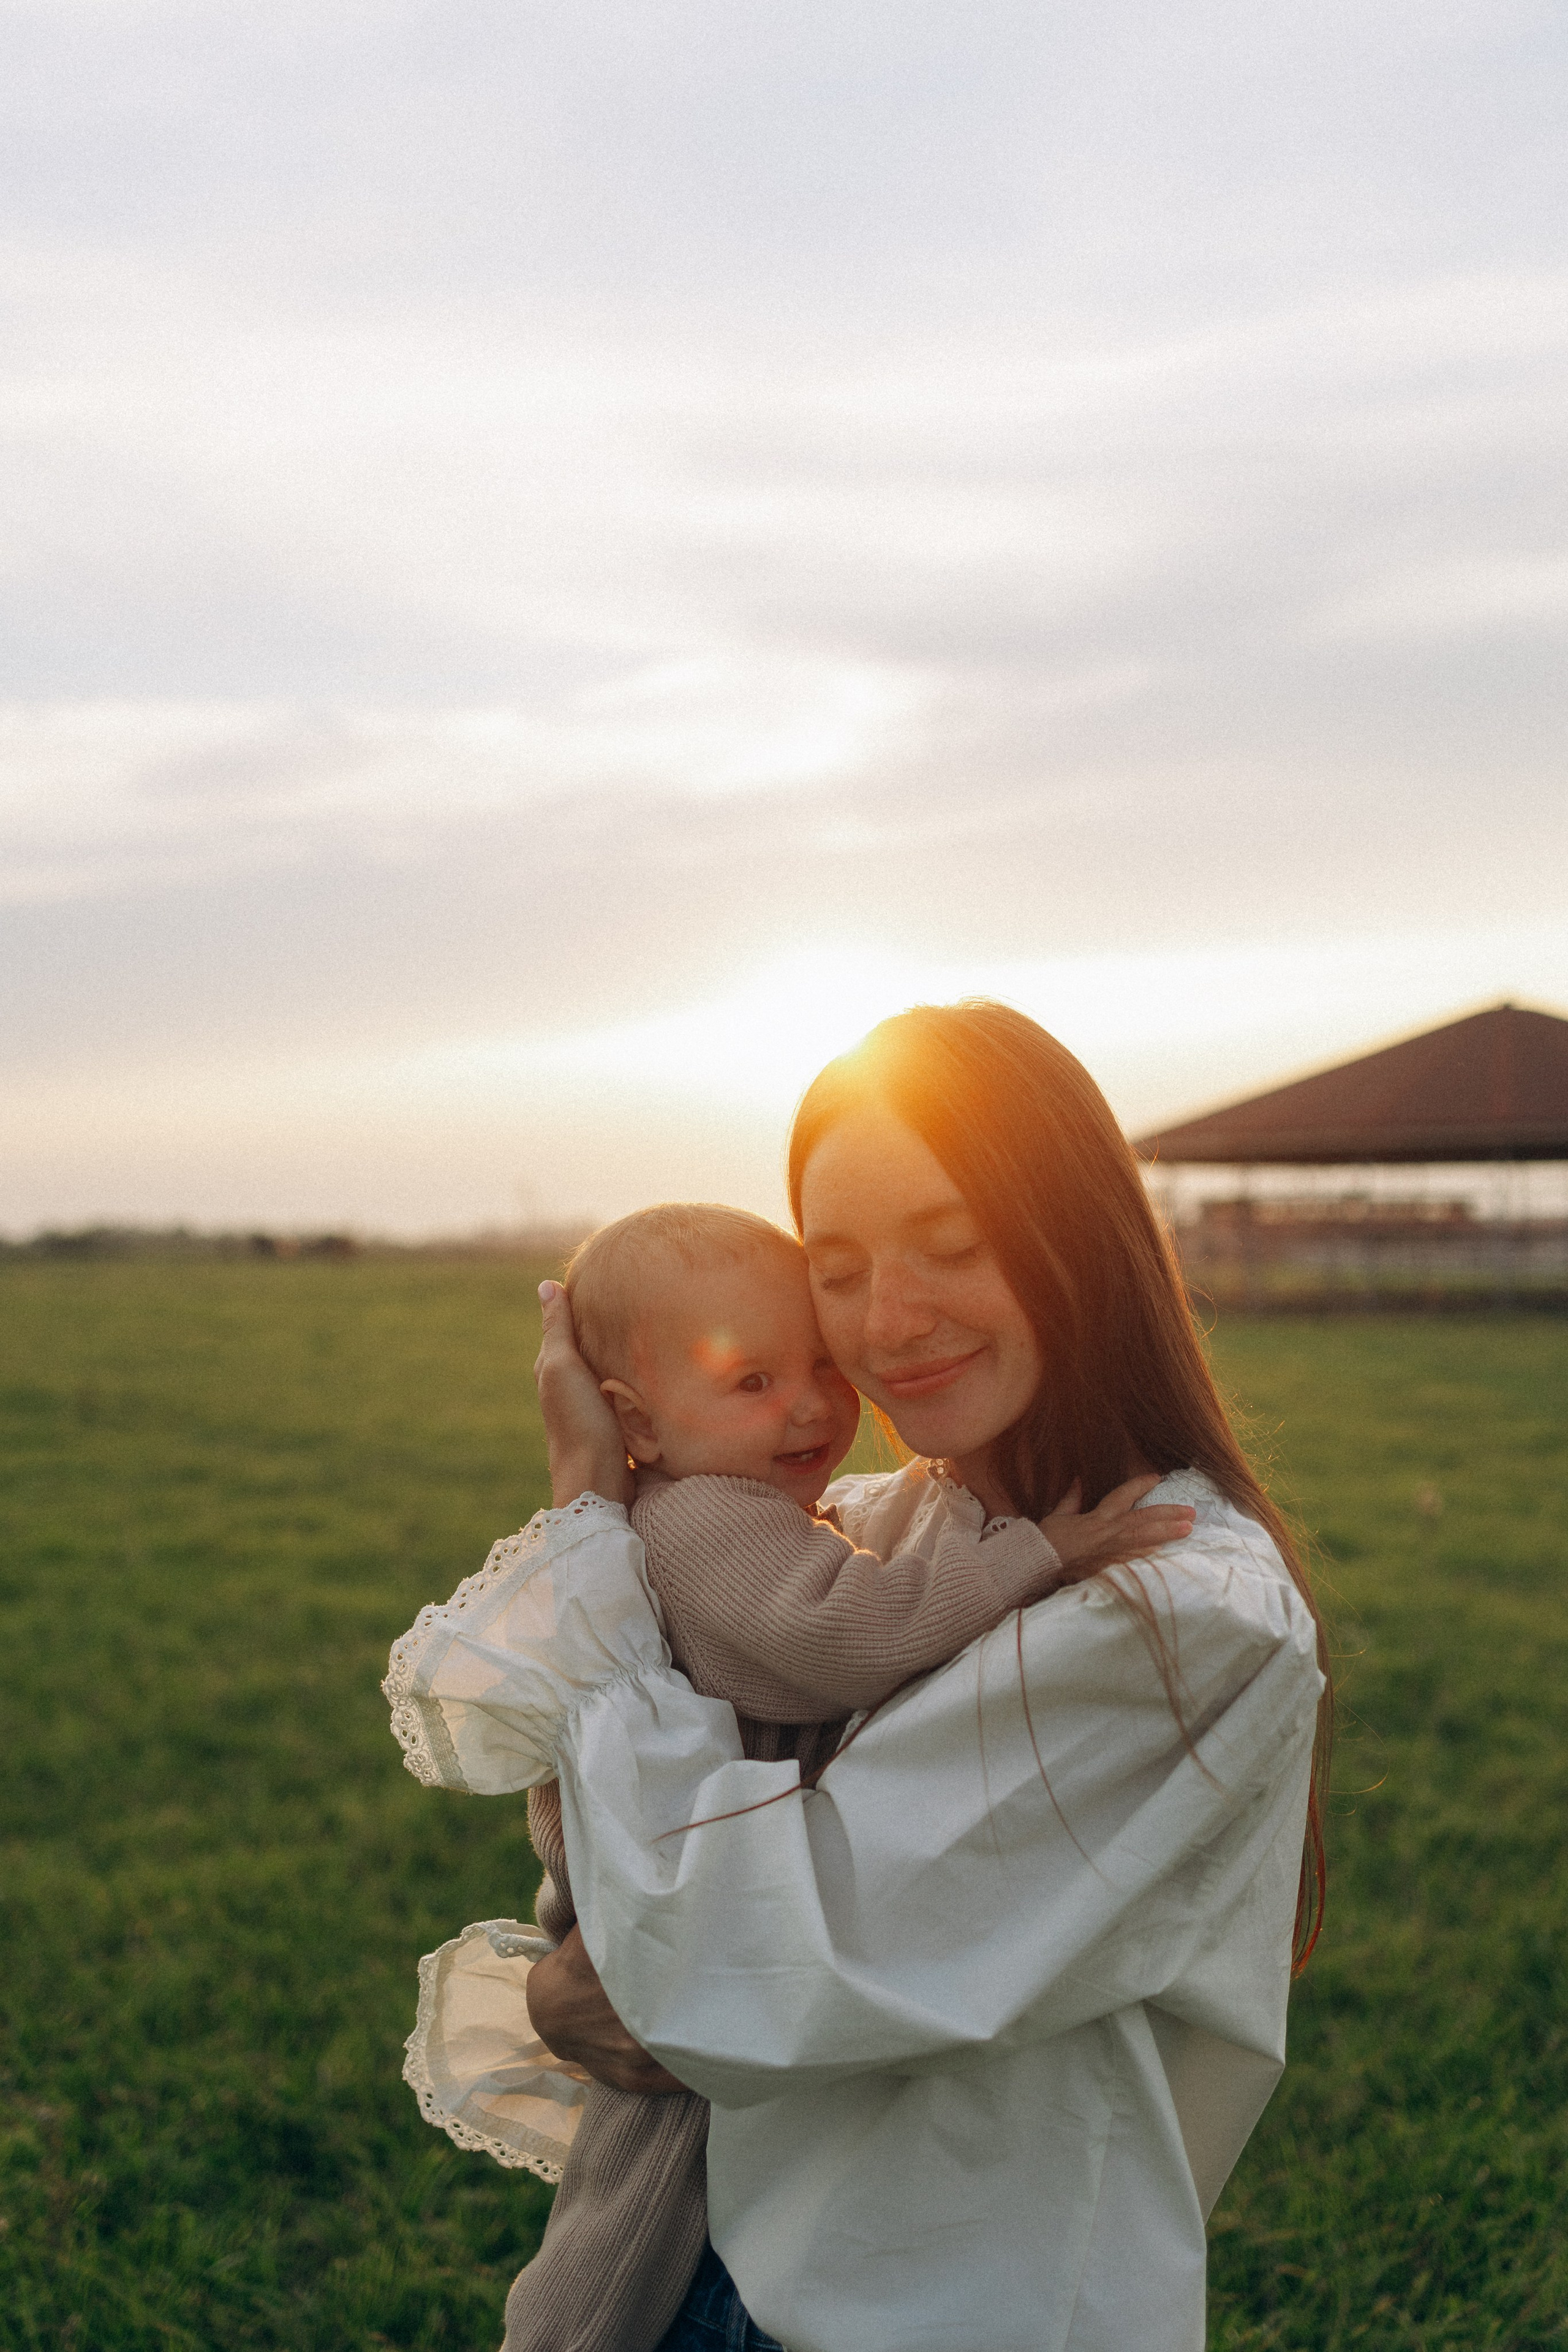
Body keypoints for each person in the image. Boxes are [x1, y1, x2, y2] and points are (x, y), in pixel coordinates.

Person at [521, 1001, 1331, 2352]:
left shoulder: (1183, 1614)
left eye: (952, 1245)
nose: (887, 1324)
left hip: (918, 2307)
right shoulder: (900, 1524)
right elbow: (665, 1902)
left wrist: (583, 1515)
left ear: (1077, 1238)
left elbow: (732, 1966)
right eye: (833, 1269)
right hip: (726, 2264)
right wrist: (570, 1980)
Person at [386, 1197, 1195, 2351]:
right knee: (648, 2210)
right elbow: (841, 1638)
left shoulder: (736, 1504)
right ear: (640, 1428)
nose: (812, 1404)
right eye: (750, 1381)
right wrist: (1036, 1553)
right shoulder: (708, 1521)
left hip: (689, 1916)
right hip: (675, 1925)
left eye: (821, 1364)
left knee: (642, 2183)